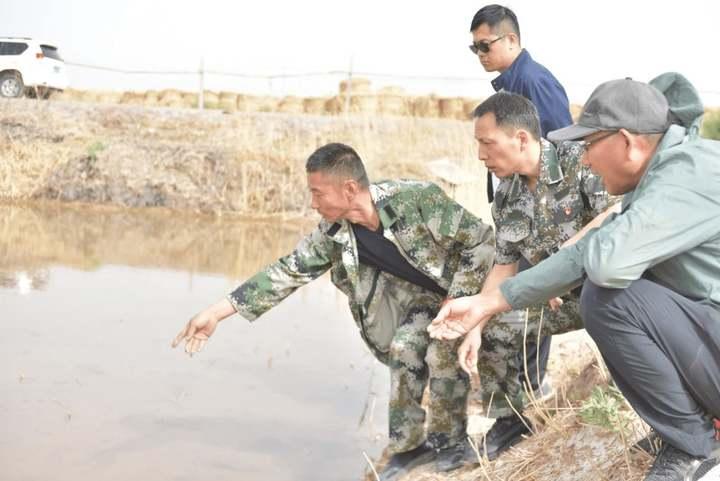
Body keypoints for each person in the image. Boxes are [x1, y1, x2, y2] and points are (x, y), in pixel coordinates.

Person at [429, 73, 720, 481]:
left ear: (627, 141)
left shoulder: (685, 173)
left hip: (649, 311)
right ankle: (690, 424)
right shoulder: (659, 177)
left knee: (609, 298)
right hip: (694, 324)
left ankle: (696, 446)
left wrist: (604, 228)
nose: (584, 157)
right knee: (592, 297)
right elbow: (562, 255)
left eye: (589, 145)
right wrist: (483, 305)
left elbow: (604, 261)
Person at [172, 143, 496, 478]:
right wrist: (216, 312)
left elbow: (482, 241)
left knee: (442, 352)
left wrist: (460, 298)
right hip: (426, 304)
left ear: (350, 189)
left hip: (476, 292)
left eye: (318, 193)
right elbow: (286, 271)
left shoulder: (416, 199)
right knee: (403, 348)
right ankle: (409, 446)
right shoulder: (334, 232)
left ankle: (451, 444)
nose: (313, 204)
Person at [455, 91, 618, 462]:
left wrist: (562, 261)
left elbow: (616, 214)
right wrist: (476, 324)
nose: (481, 155)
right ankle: (509, 420)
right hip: (559, 301)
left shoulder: (581, 160)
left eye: (487, 143)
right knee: (496, 325)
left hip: (610, 291)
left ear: (521, 139)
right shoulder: (507, 196)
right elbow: (504, 266)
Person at [469, 3, 574, 411]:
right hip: (519, 210)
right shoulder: (512, 83)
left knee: (530, 298)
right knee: (517, 290)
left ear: (511, 39)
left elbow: (562, 147)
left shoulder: (533, 81)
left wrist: (544, 215)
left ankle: (531, 388)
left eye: (485, 45)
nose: (480, 55)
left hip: (542, 214)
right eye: (473, 49)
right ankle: (521, 387)